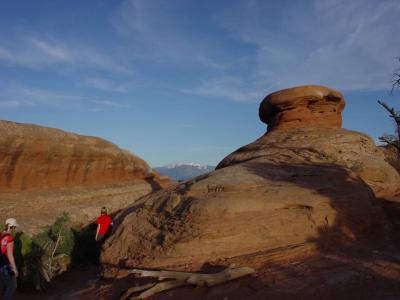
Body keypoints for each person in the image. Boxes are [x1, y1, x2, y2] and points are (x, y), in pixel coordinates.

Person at [0, 218, 19, 300]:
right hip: (6, 266)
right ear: (13, 227)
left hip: (0, 264)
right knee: (12, 286)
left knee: (2, 286)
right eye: (15, 227)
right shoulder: (10, 238)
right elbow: (10, 255)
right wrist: (15, 269)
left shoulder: (1, 235)